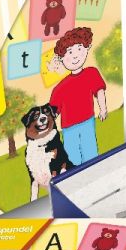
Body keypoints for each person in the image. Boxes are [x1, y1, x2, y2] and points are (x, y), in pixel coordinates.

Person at [49, 27, 107, 164]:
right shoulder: (60, 88)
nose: (75, 56)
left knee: (90, 152)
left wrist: (103, 108)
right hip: (69, 128)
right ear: (61, 58)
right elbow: (53, 112)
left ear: (87, 48)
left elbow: (99, 91)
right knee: (72, 157)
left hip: (88, 121)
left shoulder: (91, 73)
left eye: (79, 48)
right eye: (69, 52)